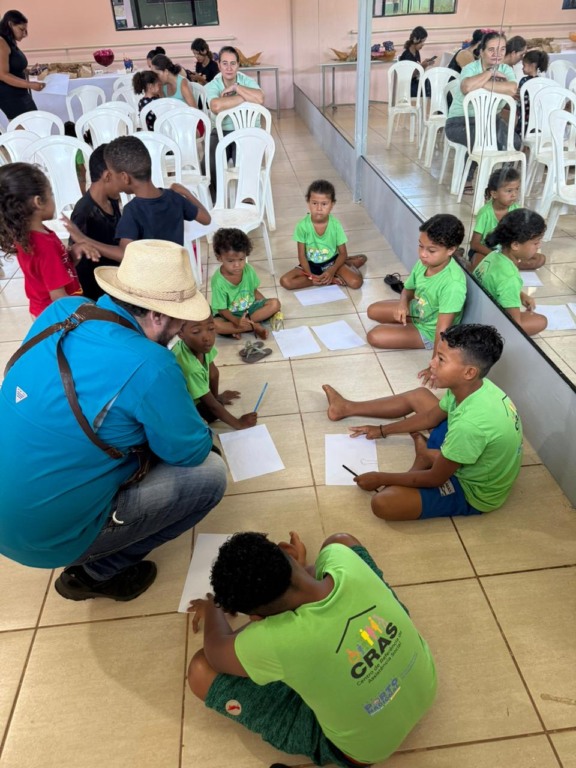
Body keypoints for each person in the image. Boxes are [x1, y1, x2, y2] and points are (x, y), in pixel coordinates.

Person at [0, 239, 227, 601]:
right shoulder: (152, 364)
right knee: (210, 477)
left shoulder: (64, 310)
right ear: (157, 316)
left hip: (12, 513)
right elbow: (189, 452)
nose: (183, 328)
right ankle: (98, 572)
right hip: (43, 539)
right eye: (181, 320)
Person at [187, 530, 437, 767]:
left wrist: (212, 607)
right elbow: (326, 560)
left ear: (257, 620)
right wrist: (303, 568)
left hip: (364, 751)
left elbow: (216, 653)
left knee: (200, 670)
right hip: (425, 684)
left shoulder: (272, 641)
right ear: (288, 551)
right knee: (341, 539)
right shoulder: (341, 558)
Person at [323, 323, 523, 521]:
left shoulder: (469, 426)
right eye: (437, 355)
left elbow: (436, 478)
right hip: (468, 446)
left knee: (383, 503)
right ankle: (346, 407)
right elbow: (430, 417)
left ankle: (425, 457)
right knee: (420, 396)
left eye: (441, 360)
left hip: (473, 490)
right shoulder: (476, 387)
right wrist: (382, 430)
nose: (432, 363)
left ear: (469, 372)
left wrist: (381, 477)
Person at [366, 214, 466, 386]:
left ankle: (413, 335)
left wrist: (436, 364)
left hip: (429, 330)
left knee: (374, 336)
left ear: (451, 250)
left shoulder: (453, 284)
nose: (422, 254)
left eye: (431, 250)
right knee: (372, 310)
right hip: (417, 311)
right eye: (420, 246)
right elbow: (408, 289)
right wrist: (402, 303)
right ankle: (405, 325)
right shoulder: (425, 263)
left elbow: (442, 330)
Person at [64, 136, 211, 253]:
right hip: (174, 277)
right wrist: (186, 193)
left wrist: (84, 239)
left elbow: (124, 253)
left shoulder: (132, 210)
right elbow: (206, 219)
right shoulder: (175, 198)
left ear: (125, 177)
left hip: (147, 285)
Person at [0, 162, 99, 318]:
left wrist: (74, 253)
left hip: (42, 311)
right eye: (51, 193)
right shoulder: (44, 246)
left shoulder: (29, 236)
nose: (53, 198)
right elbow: (59, 297)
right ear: (38, 202)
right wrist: (85, 314)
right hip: (56, 317)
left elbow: (56, 268)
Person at [445, 32, 520, 190]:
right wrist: (490, 74)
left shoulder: (506, 69)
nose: (497, 54)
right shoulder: (470, 68)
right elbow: (466, 87)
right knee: (482, 139)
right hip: (460, 122)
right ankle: (467, 179)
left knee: (514, 142)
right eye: (491, 50)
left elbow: (512, 88)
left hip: (492, 121)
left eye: (501, 50)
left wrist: (481, 84)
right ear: (481, 51)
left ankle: (500, 183)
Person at [279, 179, 366, 291]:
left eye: (324, 204)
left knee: (356, 282)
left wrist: (332, 270)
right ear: (308, 203)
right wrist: (311, 277)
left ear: (332, 205)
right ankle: (327, 279)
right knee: (285, 281)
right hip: (311, 265)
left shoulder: (335, 225)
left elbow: (343, 253)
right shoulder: (302, 226)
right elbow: (302, 256)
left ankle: (346, 266)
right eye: (314, 203)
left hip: (332, 263)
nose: (319, 209)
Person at [172, 316, 258, 429]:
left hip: (191, 396)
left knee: (215, 404)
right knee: (211, 412)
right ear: (180, 333)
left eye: (211, 328)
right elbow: (213, 407)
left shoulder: (200, 346)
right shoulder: (190, 367)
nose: (207, 337)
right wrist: (239, 423)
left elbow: (214, 374)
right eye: (196, 332)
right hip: (179, 409)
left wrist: (216, 398)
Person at [473, 208, 548, 336]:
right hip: (485, 323)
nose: (539, 246)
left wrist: (521, 295)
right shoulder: (510, 278)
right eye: (535, 243)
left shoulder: (494, 255)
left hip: (477, 310)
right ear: (515, 245)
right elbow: (514, 324)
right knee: (541, 321)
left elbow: (496, 285)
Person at [205, 46, 264, 199]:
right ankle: (219, 201)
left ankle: (246, 201)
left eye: (233, 63)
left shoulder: (245, 81)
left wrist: (236, 88)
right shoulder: (214, 84)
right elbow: (216, 106)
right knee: (210, 162)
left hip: (246, 131)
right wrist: (244, 97)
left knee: (245, 164)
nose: (229, 68)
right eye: (224, 63)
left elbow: (260, 99)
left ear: (238, 65)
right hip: (220, 132)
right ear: (218, 65)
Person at [67, 145, 124, 300]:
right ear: (107, 176)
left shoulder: (111, 200)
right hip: (97, 291)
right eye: (122, 177)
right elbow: (79, 263)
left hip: (114, 279)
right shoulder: (84, 212)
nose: (125, 184)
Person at [210, 227, 281, 342]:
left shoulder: (249, 270)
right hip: (228, 315)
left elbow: (254, 291)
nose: (237, 265)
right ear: (219, 258)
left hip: (249, 311)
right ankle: (252, 326)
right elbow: (222, 309)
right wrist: (236, 321)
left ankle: (239, 329)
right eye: (231, 261)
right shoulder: (218, 281)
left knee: (275, 304)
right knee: (216, 325)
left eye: (241, 259)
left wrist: (264, 304)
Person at [0, 10, 45, 120]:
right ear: (10, 24)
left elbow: (13, 68)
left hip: (20, 93)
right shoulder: (1, 42)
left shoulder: (9, 41)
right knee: (25, 132)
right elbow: (3, 74)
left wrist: (29, 71)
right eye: (21, 29)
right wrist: (30, 84)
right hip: (10, 96)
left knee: (34, 125)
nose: (25, 34)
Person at [517, 49, 550, 136]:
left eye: (524, 65)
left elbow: (520, 100)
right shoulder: (543, 82)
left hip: (525, 120)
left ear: (532, 65)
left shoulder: (524, 81)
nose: (522, 68)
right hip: (540, 121)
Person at [399, 26, 434, 98]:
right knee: (427, 85)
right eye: (422, 41)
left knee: (429, 82)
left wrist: (424, 65)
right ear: (415, 39)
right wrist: (422, 66)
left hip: (415, 82)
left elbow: (418, 72)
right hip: (408, 85)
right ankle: (426, 105)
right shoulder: (407, 55)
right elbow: (408, 76)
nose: (423, 44)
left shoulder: (416, 52)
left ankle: (428, 105)